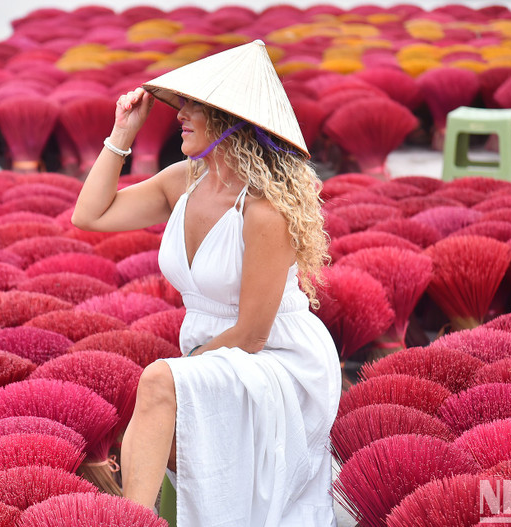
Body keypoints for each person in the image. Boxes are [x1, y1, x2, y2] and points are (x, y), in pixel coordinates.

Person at [71, 40, 341, 526]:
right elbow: (90, 216)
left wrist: (179, 368)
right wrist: (121, 135)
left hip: (278, 362)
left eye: (195, 106)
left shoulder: (265, 210)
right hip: (212, 356)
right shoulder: (184, 181)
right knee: (158, 415)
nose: (179, 114)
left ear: (231, 120)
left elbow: (253, 334)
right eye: (182, 104)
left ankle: (130, 521)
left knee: (156, 383)